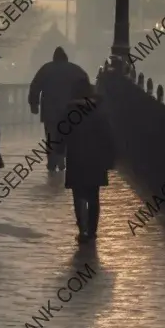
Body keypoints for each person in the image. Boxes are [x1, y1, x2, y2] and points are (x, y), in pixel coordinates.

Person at [63, 77, 116, 242]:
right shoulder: (98, 110)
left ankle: (82, 229)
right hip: (96, 158)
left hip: (75, 157)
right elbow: (108, 136)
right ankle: (92, 231)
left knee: (78, 194)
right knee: (93, 195)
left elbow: (61, 133)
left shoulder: (69, 111)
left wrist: (58, 150)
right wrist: (110, 159)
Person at [28, 47, 90, 172]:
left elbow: (35, 87)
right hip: (71, 110)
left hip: (50, 110)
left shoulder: (45, 69)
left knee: (51, 136)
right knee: (67, 135)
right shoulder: (76, 70)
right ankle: (62, 160)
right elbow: (86, 88)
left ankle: (52, 162)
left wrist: (33, 104)